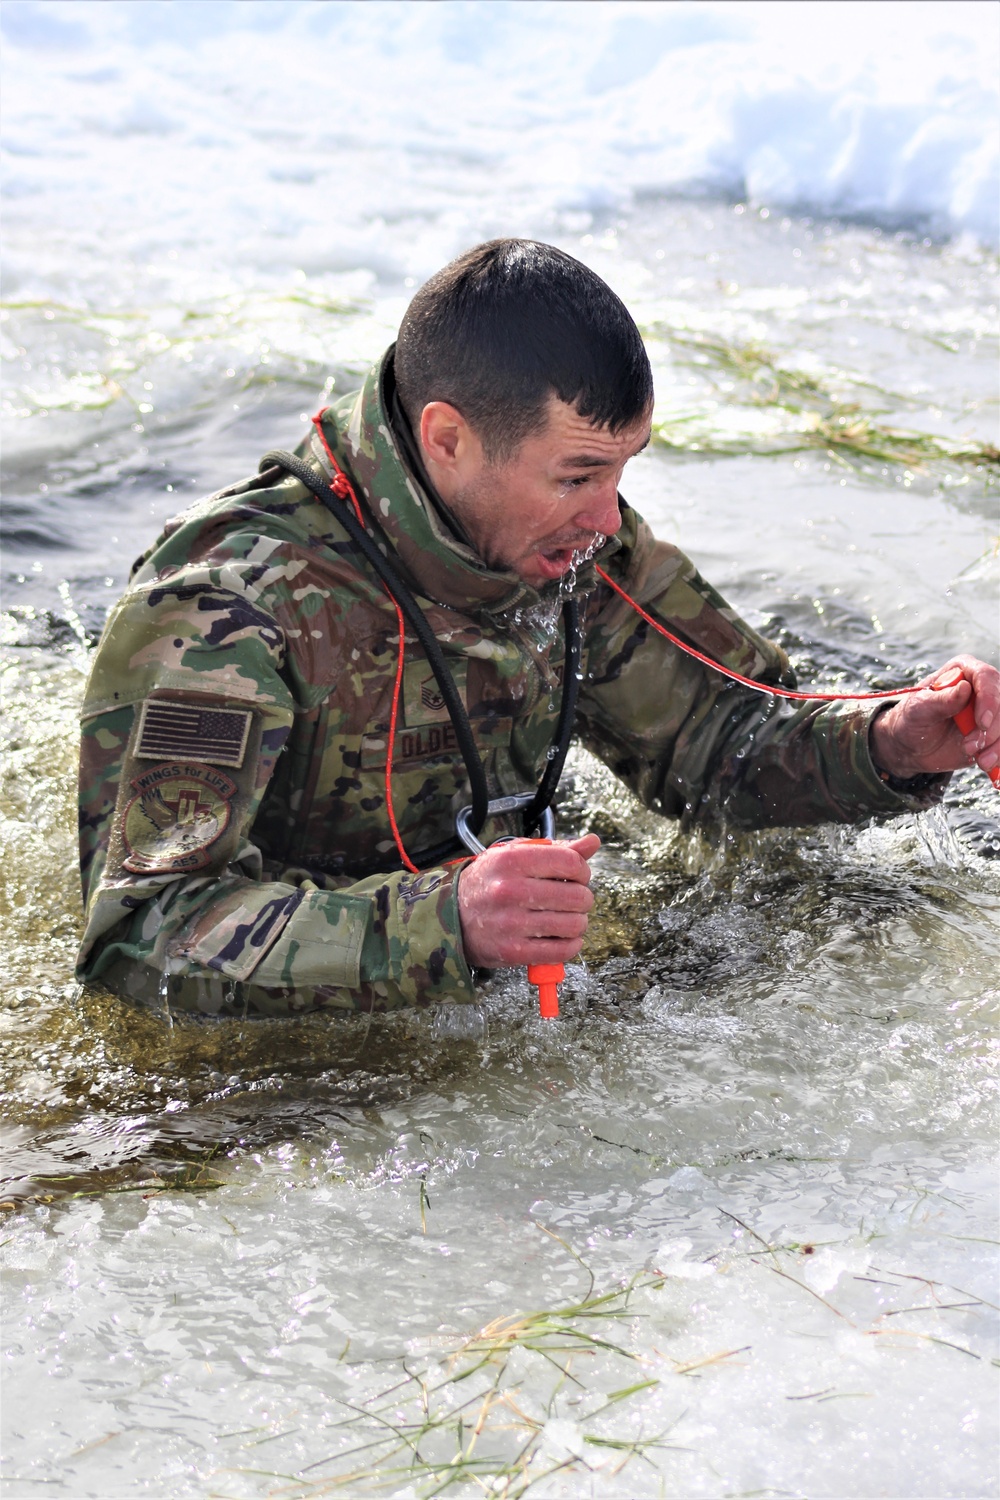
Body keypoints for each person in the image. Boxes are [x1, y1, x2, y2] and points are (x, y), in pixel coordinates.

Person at [76, 240, 1000, 1017]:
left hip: (499, 935)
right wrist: (447, 926)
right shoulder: (226, 610)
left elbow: (717, 737)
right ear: (447, 439)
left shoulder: (575, 547)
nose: (608, 516)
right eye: (576, 475)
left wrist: (892, 739)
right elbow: (144, 931)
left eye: (622, 471)